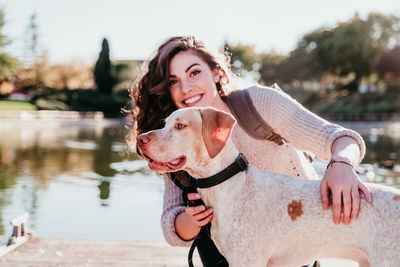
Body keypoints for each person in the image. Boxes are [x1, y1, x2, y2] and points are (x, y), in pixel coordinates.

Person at [129, 36, 372, 266]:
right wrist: (192, 219)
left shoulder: (258, 104)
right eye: (173, 81)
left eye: (194, 72)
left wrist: (341, 164)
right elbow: (172, 227)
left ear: (216, 73)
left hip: (296, 235)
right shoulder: (177, 137)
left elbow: (341, 138)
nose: (186, 88)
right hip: (226, 246)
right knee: (214, 231)